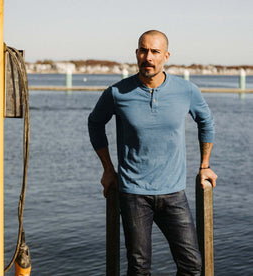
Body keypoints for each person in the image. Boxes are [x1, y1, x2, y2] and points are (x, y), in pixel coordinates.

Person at [88, 30, 217, 276]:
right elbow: (95, 123)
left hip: (174, 193)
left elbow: (207, 122)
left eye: (155, 52)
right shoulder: (117, 93)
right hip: (134, 193)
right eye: (143, 50)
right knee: (139, 268)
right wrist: (108, 169)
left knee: (192, 265)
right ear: (137, 53)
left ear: (165, 56)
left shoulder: (186, 91)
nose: (148, 57)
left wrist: (205, 165)